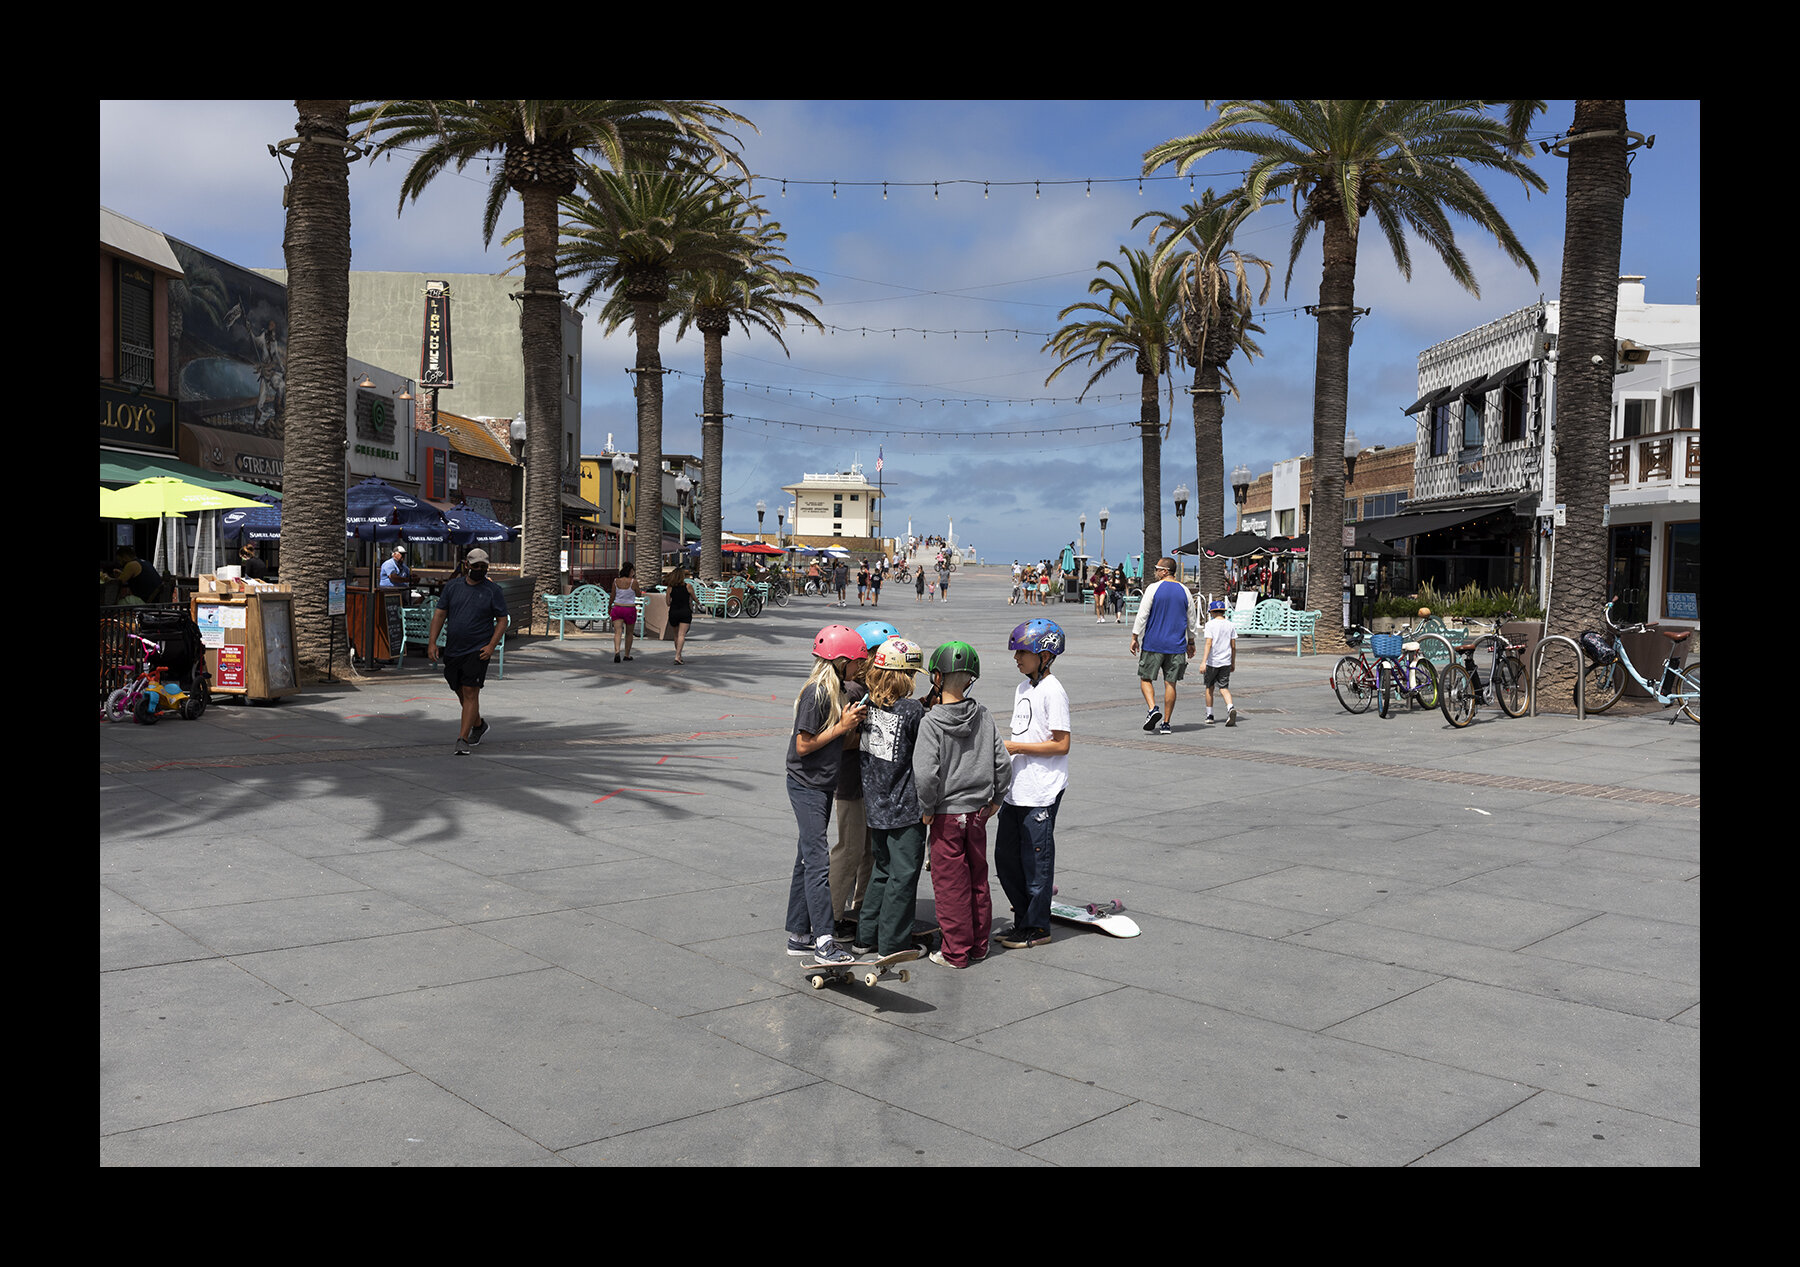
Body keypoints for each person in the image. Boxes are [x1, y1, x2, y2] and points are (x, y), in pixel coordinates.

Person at [912, 640, 1011, 969]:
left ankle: (955, 952)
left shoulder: (931, 722)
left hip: (946, 815)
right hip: (978, 814)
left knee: (950, 883)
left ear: (937, 677)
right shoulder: (983, 715)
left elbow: (926, 775)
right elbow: (1003, 764)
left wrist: (927, 808)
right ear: (971, 678)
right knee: (977, 879)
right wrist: (997, 797)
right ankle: (979, 944)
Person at [786, 625, 871, 965]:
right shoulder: (818, 693)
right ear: (839, 661)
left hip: (821, 784)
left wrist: (851, 725)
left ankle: (799, 934)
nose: (858, 669)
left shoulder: (837, 690)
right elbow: (802, 745)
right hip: (805, 785)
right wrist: (842, 726)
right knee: (818, 862)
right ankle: (824, 941)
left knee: (805, 859)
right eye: (854, 662)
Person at [853, 636, 930, 961]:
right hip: (905, 808)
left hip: (876, 805)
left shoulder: (868, 703)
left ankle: (865, 936)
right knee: (904, 873)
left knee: (882, 870)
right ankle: (894, 943)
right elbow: (920, 747)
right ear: (903, 676)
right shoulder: (912, 711)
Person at [996, 619, 1069, 950]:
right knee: (1006, 858)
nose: (1017, 658)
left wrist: (1017, 747)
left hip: (1042, 790)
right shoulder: (1023, 689)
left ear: (1045, 655)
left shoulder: (1054, 691)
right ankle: (1022, 919)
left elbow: (1061, 744)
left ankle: (1038, 927)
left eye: (1023, 652)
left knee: (1036, 863)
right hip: (1017, 788)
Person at [428, 548, 508, 757]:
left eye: (483, 567)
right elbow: (440, 614)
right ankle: (479, 724)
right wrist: (432, 642)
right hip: (454, 649)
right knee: (460, 689)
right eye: (476, 567)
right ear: (466, 565)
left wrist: (491, 646)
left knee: (471, 691)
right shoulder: (453, 587)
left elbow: (502, 620)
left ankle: (462, 739)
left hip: (478, 649)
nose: (479, 570)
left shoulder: (493, 590)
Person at [1131, 557, 1198, 735]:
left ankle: (1153, 709)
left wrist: (1135, 636)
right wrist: (1191, 641)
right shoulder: (1185, 591)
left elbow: (1142, 614)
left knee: (1145, 678)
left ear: (1165, 571)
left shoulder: (1153, 588)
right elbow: (1192, 619)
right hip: (1176, 645)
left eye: (1157, 568)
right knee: (1171, 683)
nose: (1155, 572)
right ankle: (1166, 723)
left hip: (1154, 643)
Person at [1199, 597, 1239, 726]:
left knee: (1209, 687)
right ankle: (1230, 707)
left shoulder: (1210, 625)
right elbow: (1233, 646)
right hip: (1226, 661)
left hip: (1212, 661)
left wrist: (1203, 661)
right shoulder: (1230, 625)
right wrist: (1233, 662)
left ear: (1212, 612)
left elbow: (1208, 643)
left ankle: (1209, 715)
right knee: (1224, 687)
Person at [666, 567, 694, 665]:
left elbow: (668, 602)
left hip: (673, 612)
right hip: (685, 611)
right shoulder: (688, 586)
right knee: (682, 635)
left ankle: (679, 654)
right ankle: (678, 656)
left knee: (676, 635)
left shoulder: (670, 588)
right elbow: (694, 598)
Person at [610, 572, 638, 663]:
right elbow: (639, 594)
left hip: (617, 608)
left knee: (617, 632)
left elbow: (613, 595)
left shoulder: (615, 581)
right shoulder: (634, 582)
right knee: (629, 633)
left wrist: (609, 606)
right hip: (629, 609)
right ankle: (627, 655)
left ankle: (617, 652)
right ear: (630, 571)